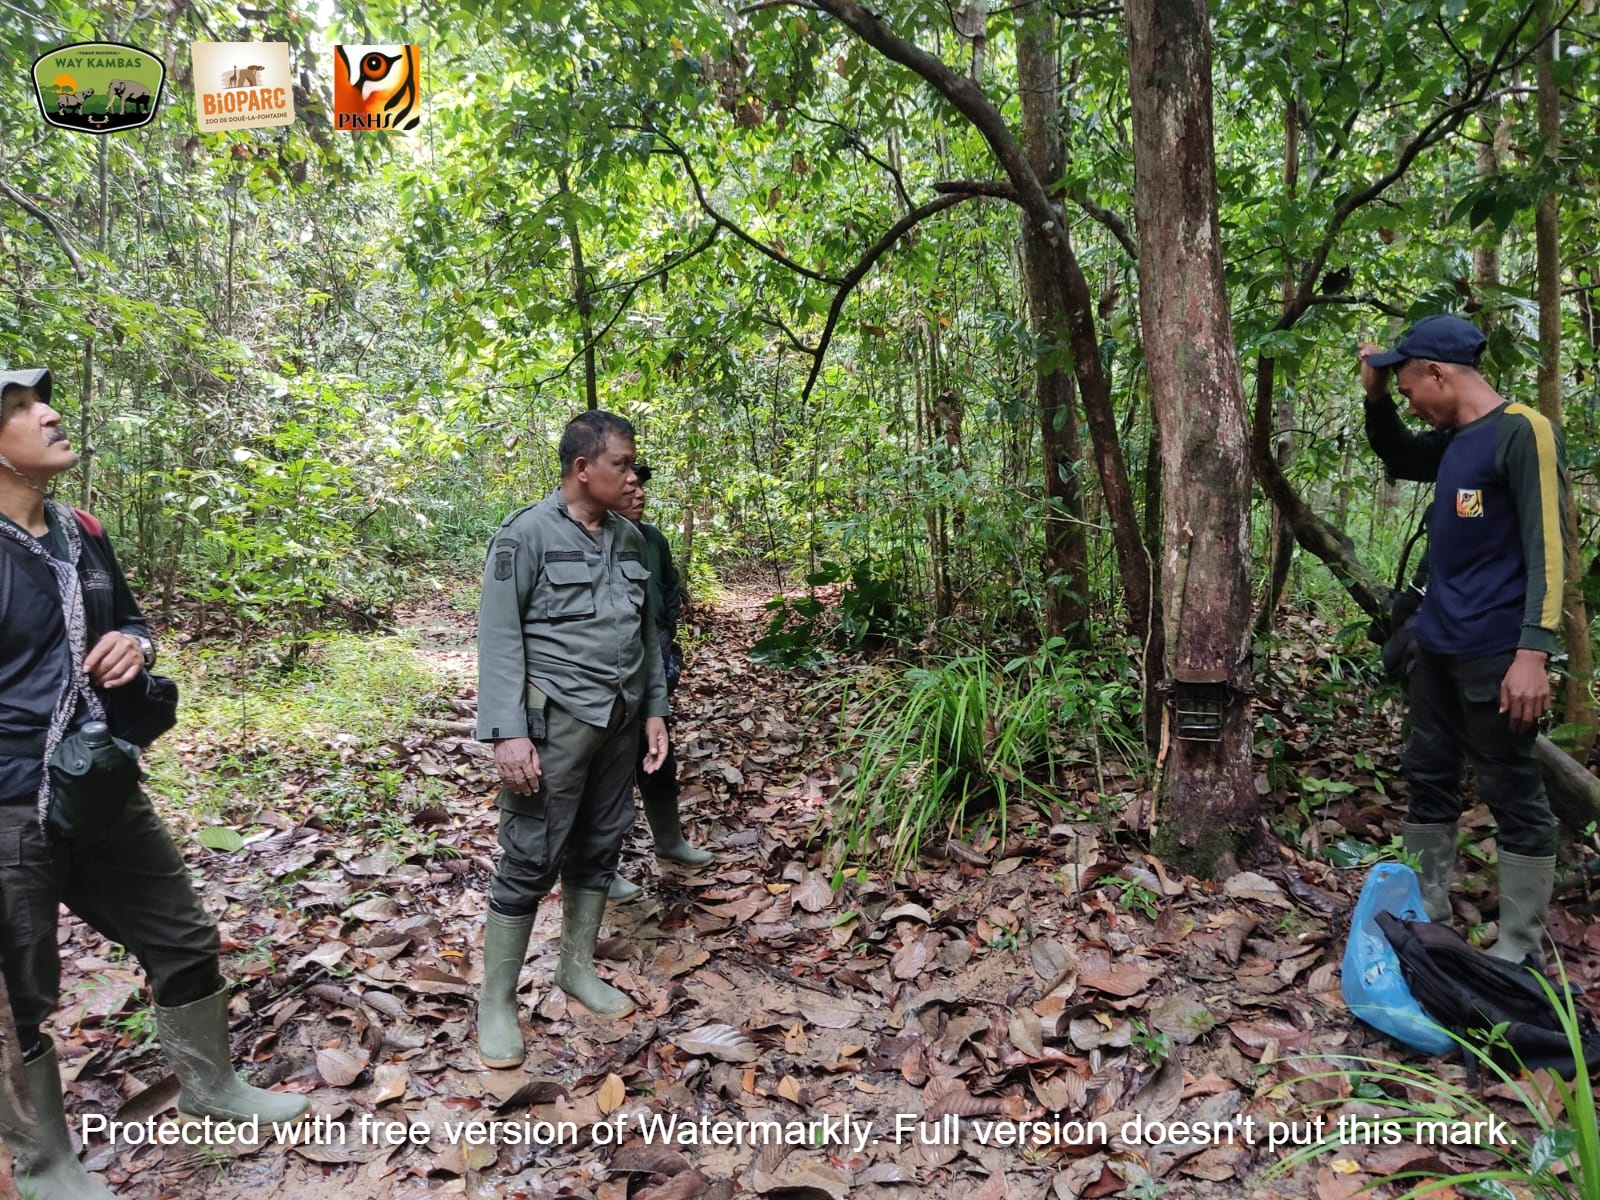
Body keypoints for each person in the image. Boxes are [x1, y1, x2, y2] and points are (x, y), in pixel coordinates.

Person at [0, 368, 308, 1200]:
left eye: (42, 400)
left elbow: (131, 622)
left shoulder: (81, 531)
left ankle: (214, 1090)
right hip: (9, 808)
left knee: (181, 935)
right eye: (19, 409)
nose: (48, 414)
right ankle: (46, 1163)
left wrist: (136, 649)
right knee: (17, 994)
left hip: (100, 787)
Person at [1358, 315, 1567, 967]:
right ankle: (1429, 918)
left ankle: (1517, 947)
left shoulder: (1519, 432)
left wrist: (1533, 654)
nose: (1410, 398)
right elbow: (1396, 453)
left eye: (1408, 383)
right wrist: (1375, 397)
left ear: (1439, 373)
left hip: (1497, 652)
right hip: (1437, 649)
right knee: (1429, 778)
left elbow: (1549, 550)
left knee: (1511, 788)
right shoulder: (1452, 443)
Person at [474, 411, 669, 1068]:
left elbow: (646, 636)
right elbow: (498, 639)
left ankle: (575, 968)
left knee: (600, 842)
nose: (631, 473)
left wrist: (653, 711)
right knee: (530, 856)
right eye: (621, 463)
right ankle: (495, 1002)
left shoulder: (633, 540)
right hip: (554, 721)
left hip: (619, 718)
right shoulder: (523, 536)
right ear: (583, 468)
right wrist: (509, 734)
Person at [608, 464, 713, 904]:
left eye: (641, 484)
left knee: (657, 751)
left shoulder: (651, 539)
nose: (637, 491)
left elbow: (670, 586)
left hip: (653, 657)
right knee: (607, 768)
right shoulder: (594, 539)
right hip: (608, 670)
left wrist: (665, 625)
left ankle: (670, 841)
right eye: (627, 482)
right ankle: (601, 867)